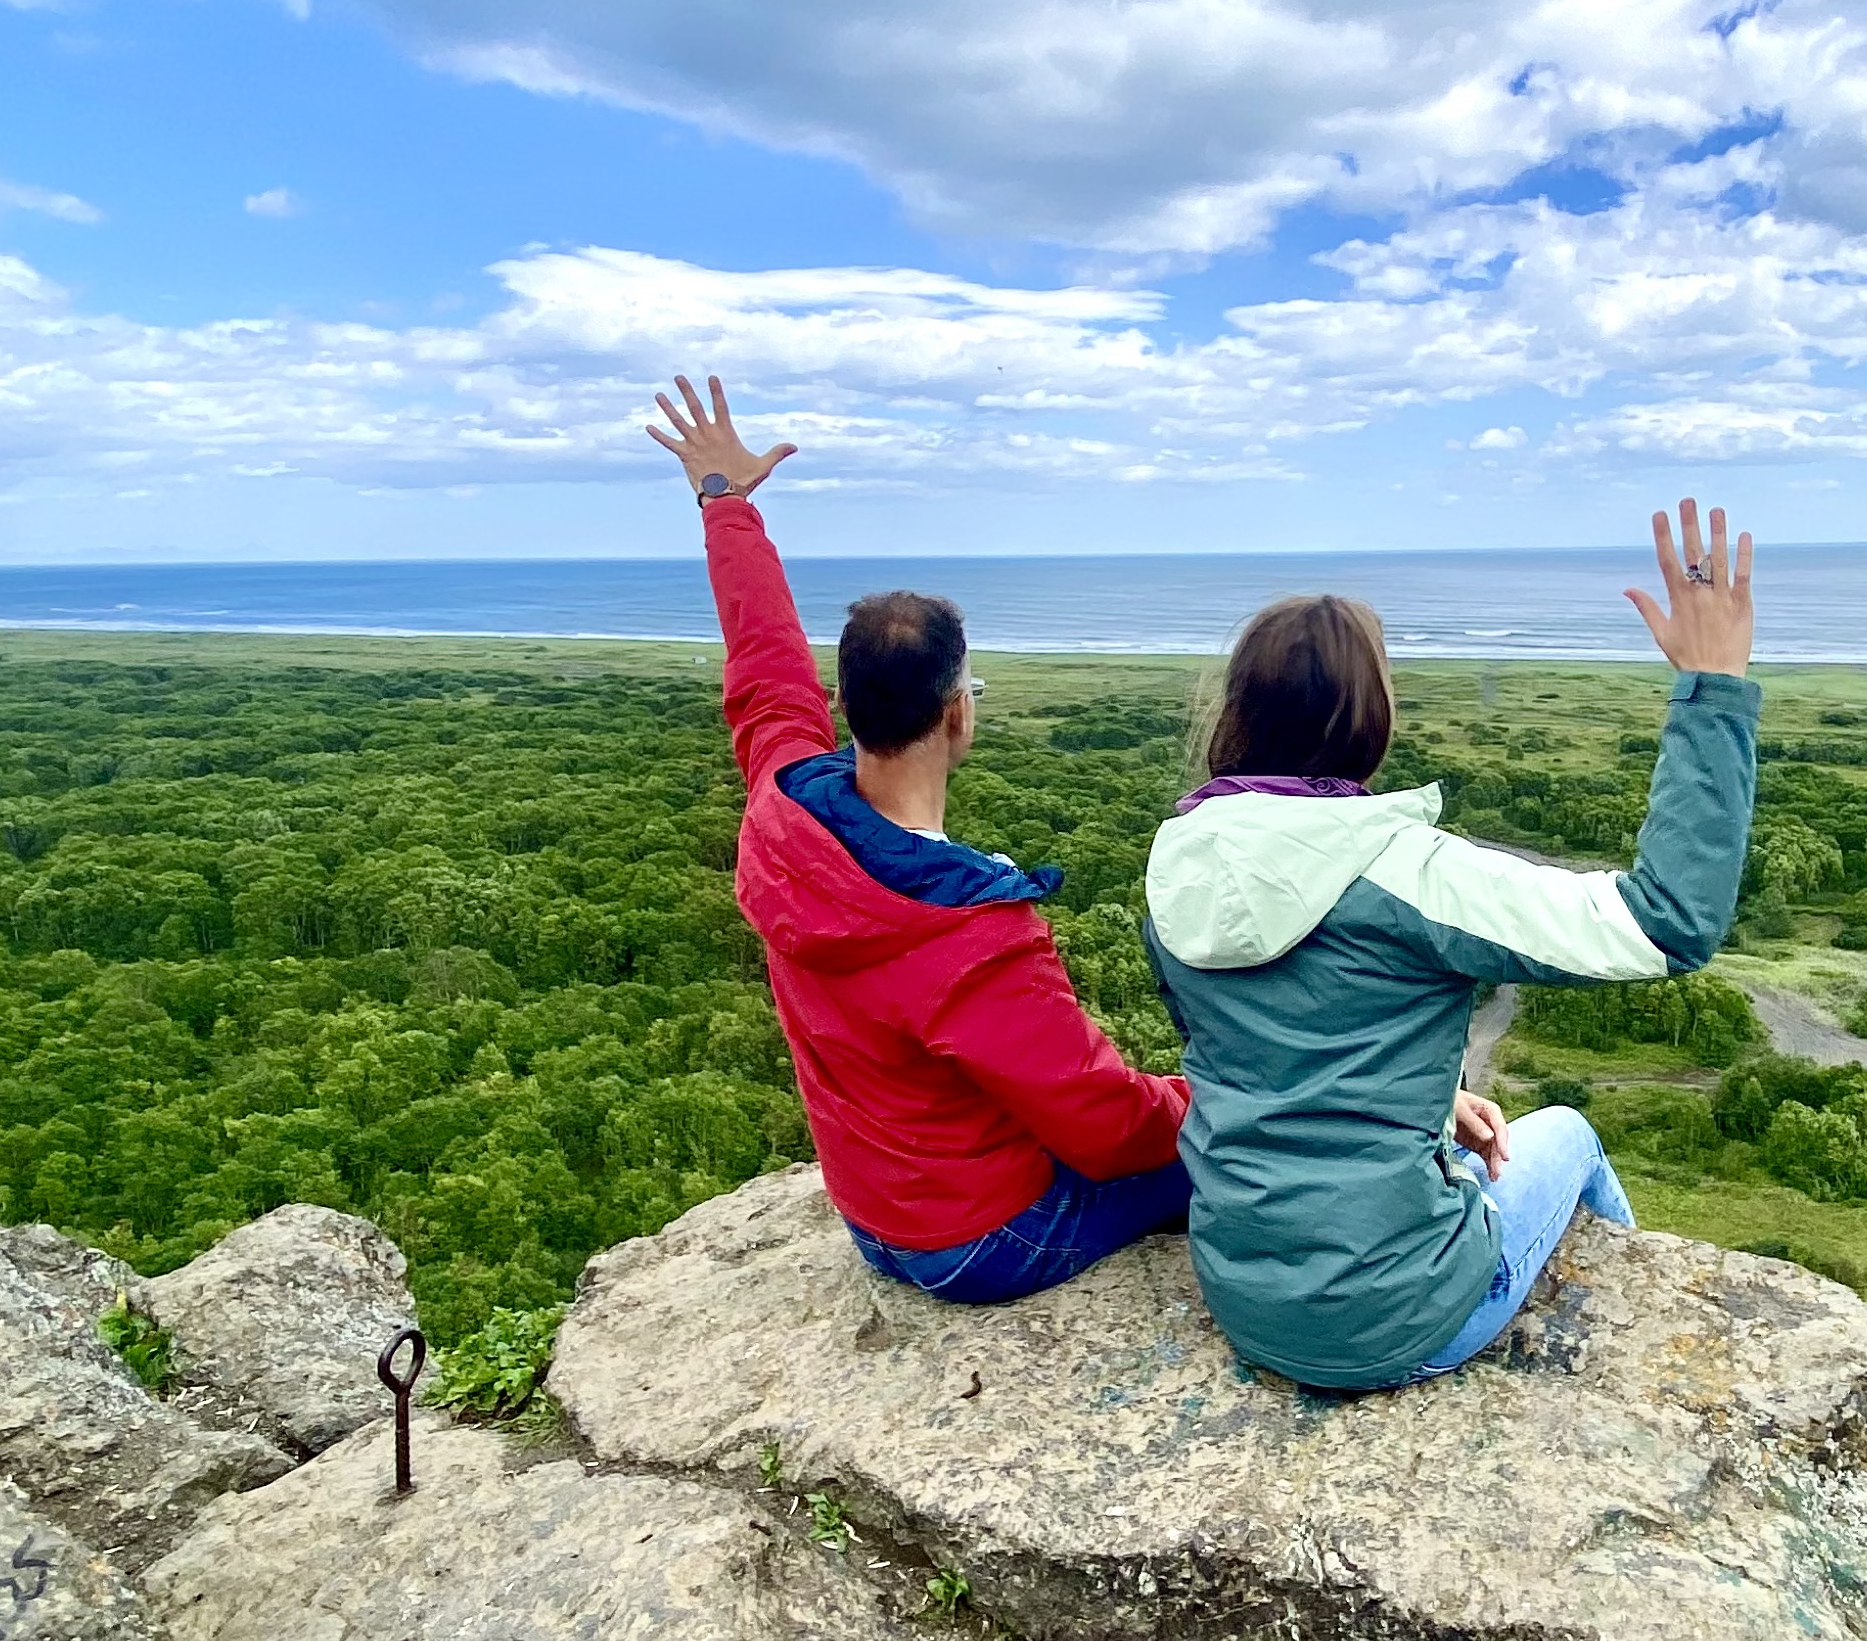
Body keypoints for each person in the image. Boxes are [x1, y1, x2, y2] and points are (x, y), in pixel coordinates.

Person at [1143, 502, 1757, 1391]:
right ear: (1371, 720)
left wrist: (1434, 1104)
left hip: (1244, 1298)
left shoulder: (1178, 867)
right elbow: (1666, 921)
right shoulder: (1409, 871)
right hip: (1400, 1320)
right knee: (1570, 1136)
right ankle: (1643, 1357)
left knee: (1487, 1144)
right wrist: (1714, 689)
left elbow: (1263, 1052)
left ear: (1237, 712)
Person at [648, 371, 1191, 1303]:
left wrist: (725, 504)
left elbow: (764, 661)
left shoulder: (785, 807)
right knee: (1253, 1150)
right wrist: (1222, 1103)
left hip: (878, 1222)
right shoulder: (967, 932)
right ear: (956, 717)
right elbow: (1105, 1126)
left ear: (846, 709)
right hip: (987, 1240)